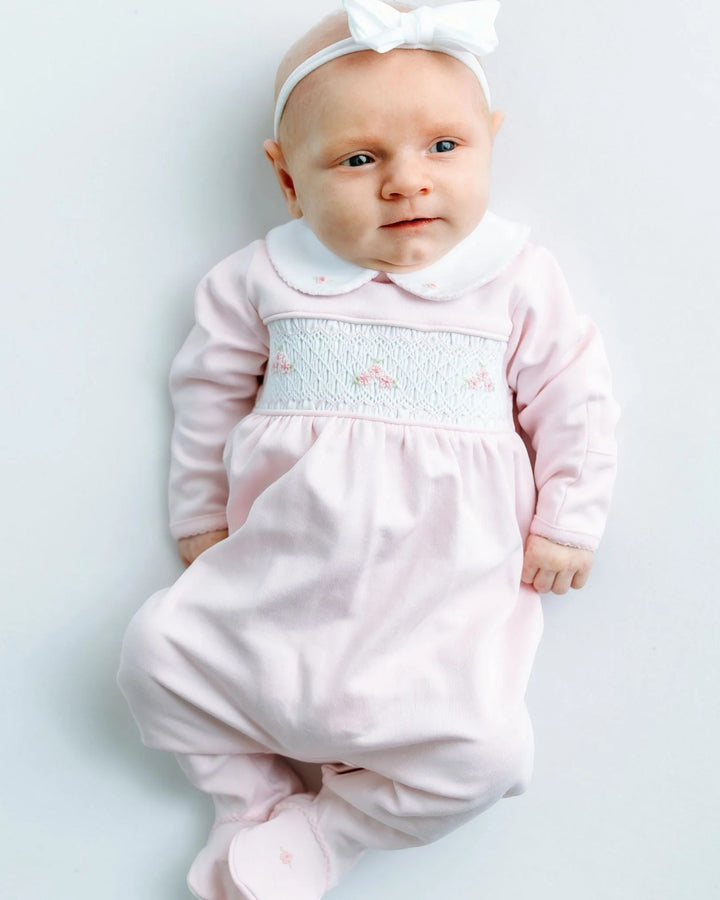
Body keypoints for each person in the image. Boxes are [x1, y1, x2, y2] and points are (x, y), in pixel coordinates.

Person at [118, 1, 619, 898]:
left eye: (444, 148)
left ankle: (331, 831)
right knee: (153, 655)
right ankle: (252, 803)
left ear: (490, 142)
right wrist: (198, 513)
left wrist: (569, 518)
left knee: (488, 753)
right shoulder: (262, 278)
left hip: (437, 610)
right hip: (275, 589)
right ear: (286, 178)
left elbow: (573, 394)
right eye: (358, 159)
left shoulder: (512, 277)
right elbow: (205, 393)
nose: (406, 183)